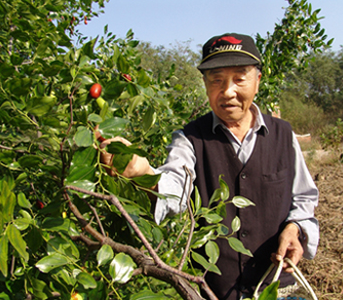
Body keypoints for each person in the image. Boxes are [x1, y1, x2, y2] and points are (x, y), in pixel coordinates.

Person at [99, 33, 319, 300]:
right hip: (213, 291)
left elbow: (304, 199)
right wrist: (143, 172)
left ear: (257, 81)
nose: (228, 91)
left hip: (278, 289)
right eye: (216, 80)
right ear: (205, 85)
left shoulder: (283, 135)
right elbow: (176, 190)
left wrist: (295, 229)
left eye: (239, 78)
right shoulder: (190, 138)